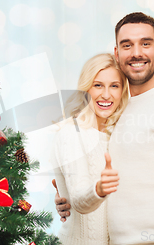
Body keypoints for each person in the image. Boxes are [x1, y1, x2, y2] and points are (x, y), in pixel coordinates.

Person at [54, 12, 154, 245]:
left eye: (145, 43)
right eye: (127, 45)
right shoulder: (118, 108)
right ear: (117, 54)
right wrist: (66, 197)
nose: (136, 52)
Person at [51, 53, 129, 245]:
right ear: (86, 89)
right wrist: (99, 189)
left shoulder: (116, 136)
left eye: (114, 86)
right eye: (98, 85)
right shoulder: (71, 133)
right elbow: (78, 200)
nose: (106, 94)